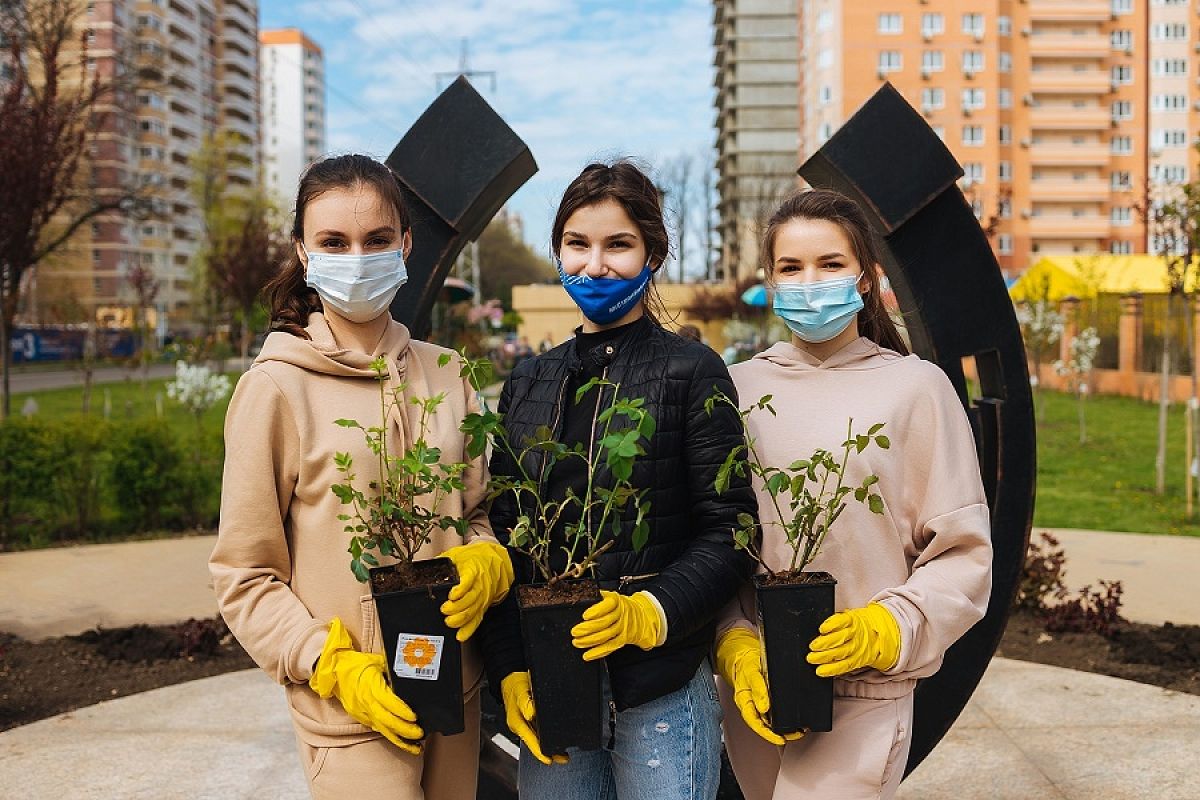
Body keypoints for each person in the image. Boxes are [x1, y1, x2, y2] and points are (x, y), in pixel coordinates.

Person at [210, 154, 513, 800]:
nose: (357, 258)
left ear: (405, 245)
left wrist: (488, 559)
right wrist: (330, 663)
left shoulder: (448, 375)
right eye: (334, 243)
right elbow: (244, 574)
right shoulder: (276, 390)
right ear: (303, 251)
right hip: (349, 719)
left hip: (453, 698)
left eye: (376, 240)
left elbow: (478, 511)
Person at [477, 160, 757, 800]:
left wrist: (649, 612)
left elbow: (731, 533)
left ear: (653, 253)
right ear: (557, 251)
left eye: (618, 245)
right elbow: (504, 536)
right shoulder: (528, 381)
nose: (594, 265)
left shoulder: (692, 370)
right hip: (555, 686)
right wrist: (511, 667)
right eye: (577, 244)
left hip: (659, 688)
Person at [713, 189, 992, 800]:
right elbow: (717, 540)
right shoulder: (735, 388)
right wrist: (732, 637)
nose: (810, 283)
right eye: (792, 267)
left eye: (831, 264)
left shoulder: (917, 388)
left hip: (867, 691)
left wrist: (889, 627)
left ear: (865, 278)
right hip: (756, 690)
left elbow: (964, 555)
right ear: (770, 280)